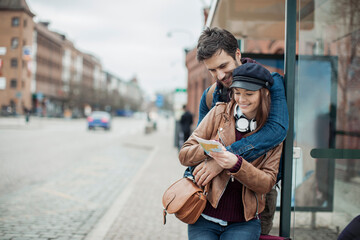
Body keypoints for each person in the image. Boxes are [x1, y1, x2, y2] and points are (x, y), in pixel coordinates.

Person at [186, 27, 289, 235]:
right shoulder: (210, 95)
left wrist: (223, 159)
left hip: (255, 196)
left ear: (238, 55)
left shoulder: (271, 82)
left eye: (223, 66)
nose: (220, 75)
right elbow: (198, 142)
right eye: (213, 70)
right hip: (212, 200)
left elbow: (276, 130)